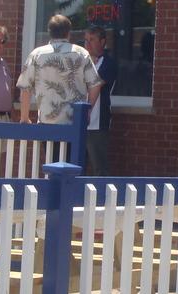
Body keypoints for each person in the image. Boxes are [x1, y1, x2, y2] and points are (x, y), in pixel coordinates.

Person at [17, 14, 101, 126]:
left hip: (46, 122)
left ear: (49, 32)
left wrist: (24, 118)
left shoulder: (36, 54)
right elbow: (95, 85)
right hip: (74, 123)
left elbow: (25, 88)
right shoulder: (81, 53)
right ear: (68, 33)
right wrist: (87, 111)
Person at [83, 26, 117, 175]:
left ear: (102, 42)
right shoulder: (81, 62)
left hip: (97, 122)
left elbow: (95, 84)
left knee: (99, 165)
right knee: (77, 164)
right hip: (78, 121)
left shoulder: (108, 63)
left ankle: (102, 197)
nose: (87, 44)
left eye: (92, 40)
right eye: (86, 40)